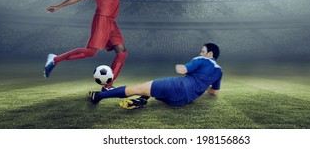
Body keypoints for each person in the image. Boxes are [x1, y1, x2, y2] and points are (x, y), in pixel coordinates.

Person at [44, 0, 132, 91]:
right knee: (91, 52)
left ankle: (108, 86)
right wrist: (58, 7)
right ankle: (55, 59)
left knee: (122, 53)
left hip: (111, 22)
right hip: (101, 20)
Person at [88, 43, 222, 109]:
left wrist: (179, 66)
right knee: (152, 89)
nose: (200, 52)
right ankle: (142, 100)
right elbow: (214, 92)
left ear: (210, 54)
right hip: (181, 101)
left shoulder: (202, 59)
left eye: (202, 51)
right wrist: (203, 84)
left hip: (177, 86)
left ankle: (98, 96)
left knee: (137, 88)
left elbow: (181, 70)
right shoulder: (219, 72)